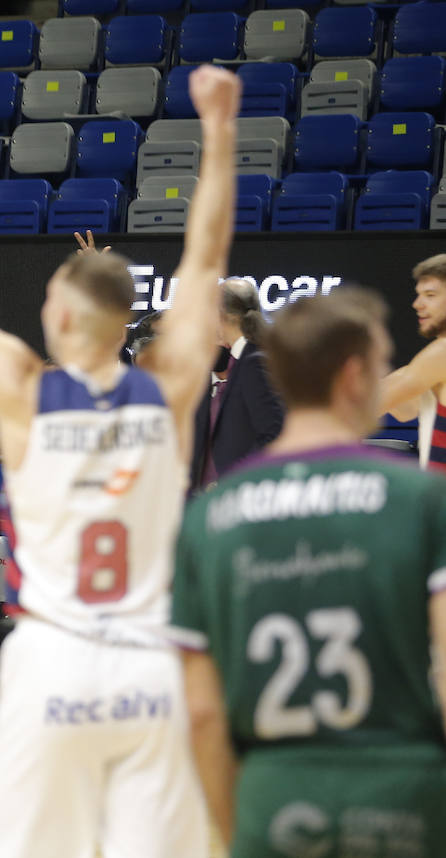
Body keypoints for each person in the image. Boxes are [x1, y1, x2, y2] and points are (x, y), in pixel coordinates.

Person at [0, 64, 241, 857]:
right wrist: (219, 129)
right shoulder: (166, 388)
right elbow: (206, 255)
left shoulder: (26, 393)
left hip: (54, 656)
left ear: (63, 311)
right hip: (146, 656)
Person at [172, 288, 446, 856]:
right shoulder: (422, 499)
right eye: (381, 362)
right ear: (353, 374)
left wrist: (234, 825)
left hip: (275, 794)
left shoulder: (211, 516)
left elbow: (201, 710)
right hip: (404, 791)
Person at [189, 278, 285, 492]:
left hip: (244, 495)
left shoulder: (255, 362)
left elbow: (274, 436)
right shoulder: (242, 359)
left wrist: (233, 480)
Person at [377, 254, 446, 471]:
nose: (417, 304)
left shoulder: (441, 354)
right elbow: (406, 410)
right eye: (419, 295)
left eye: (430, 295)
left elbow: (367, 404)